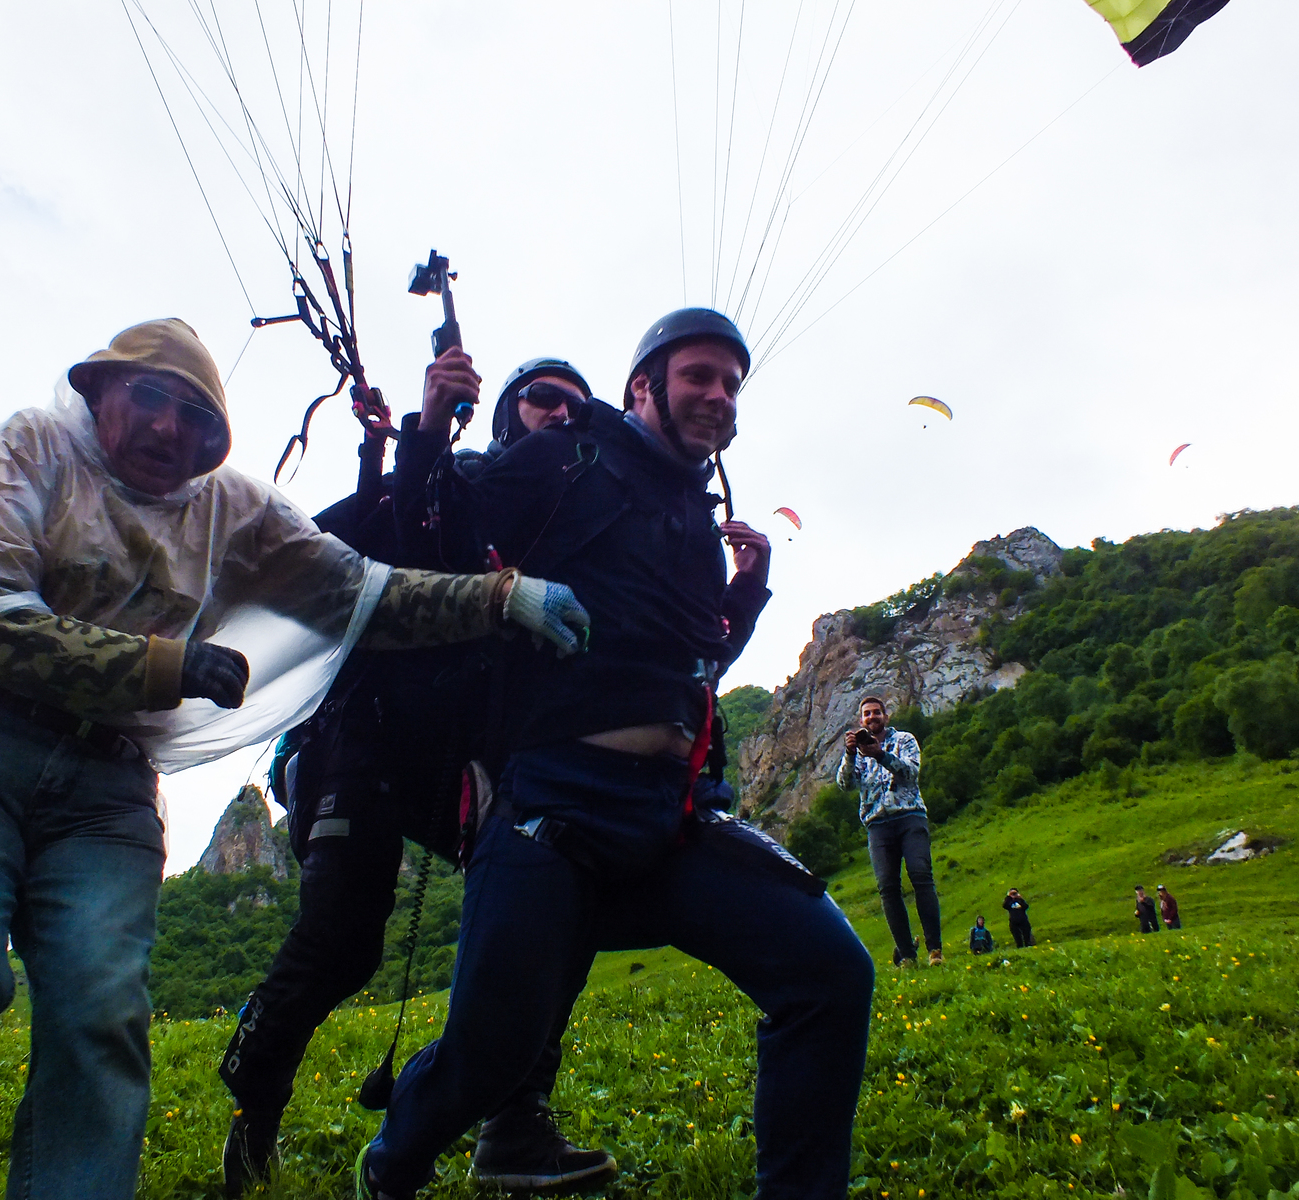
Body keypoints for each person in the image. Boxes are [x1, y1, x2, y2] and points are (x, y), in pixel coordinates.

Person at [0, 319, 591, 1200]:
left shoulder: (232, 508)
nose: (168, 428)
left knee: (99, 1020)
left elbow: (358, 589)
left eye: (196, 416)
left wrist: (504, 597)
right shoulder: (29, 448)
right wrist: (164, 664)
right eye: (148, 398)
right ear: (97, 392)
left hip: (108, 784)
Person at [354, 308, 874, 1200]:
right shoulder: (567, 454)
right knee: (491, 1049)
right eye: (698, 377)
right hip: (556, 802)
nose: (719, 396)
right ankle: (395, 1159)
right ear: (643, 387)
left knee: (830, 973)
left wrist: (744, 599)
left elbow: (696, 661)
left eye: (731, 384)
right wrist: (430, 425)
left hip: (673, 815)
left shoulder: (694, 519)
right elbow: (429, 535)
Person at [217, 354, 618, 1196]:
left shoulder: (581, 533)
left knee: (547, 896)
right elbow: (354, 553)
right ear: (507, 416)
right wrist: (420, 433)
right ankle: (256, 1108)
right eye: (545, 399)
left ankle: (515, 1116)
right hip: (358, 736)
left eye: (581, 407)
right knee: (343, 939)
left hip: (459, 758)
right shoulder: (444, 487)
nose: (564, 414)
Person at [839, 696, 942, 967]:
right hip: (877, 824)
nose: (871, 718)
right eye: (866, 714)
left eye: (876, 713)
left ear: (886, 716)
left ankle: (935, 950)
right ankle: (907, 955)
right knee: (888, 888)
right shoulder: (857, 751)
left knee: (921, 876)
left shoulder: (905, 740)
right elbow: (844, 785)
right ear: (861, 721)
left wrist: (881, 755)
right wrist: (851, 755)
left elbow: (911, 772)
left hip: (910, 816)